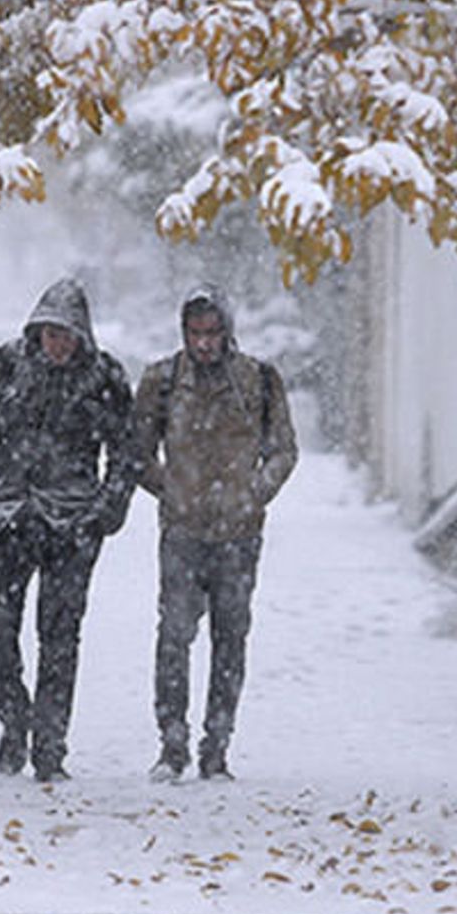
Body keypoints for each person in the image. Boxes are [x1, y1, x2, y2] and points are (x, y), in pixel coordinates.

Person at [0, 277, 139, 783]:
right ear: (36, 331)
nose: (58, 344)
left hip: (72, 522)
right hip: (2, 518)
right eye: (50, 334)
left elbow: (126, 453)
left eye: (67, 335)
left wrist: (106, 511)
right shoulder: (2, 365)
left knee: (59, 637)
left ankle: (50, 746)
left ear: (83, 335)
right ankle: (15, 718)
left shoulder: (105, 376)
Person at [132, 284, 297, 782]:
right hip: (183, 531)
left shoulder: (258, 382)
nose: (203, 343)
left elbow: (284, 449)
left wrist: (253, 492)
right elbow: (137, 451)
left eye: (212, 332)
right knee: (174, 636)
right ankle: (172, 742)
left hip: (238, 533)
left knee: (231, 639)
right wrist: (172, 489)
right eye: (195, 333)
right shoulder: (161, 381)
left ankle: (217, 744)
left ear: (227, 331)